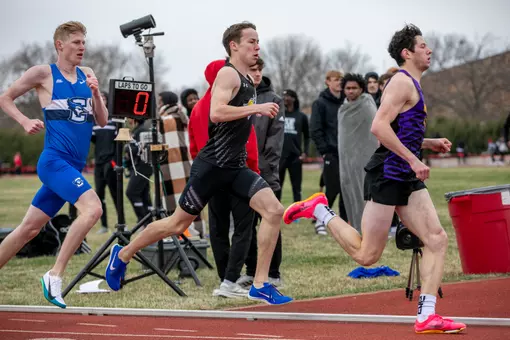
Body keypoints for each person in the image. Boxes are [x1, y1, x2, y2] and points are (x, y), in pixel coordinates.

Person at [283, 24, 466, 334]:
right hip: (388, 174)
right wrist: (412, 158)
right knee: (368, 255)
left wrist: (428, 142)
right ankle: (319, 210)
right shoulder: (400, 83)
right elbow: (379, 128)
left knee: (437, 239)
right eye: (423, 46)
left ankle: (426, 315)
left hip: (404, 175)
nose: (429, 50)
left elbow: (401, 132)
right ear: (407, 53)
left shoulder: (413, 85)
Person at [105, 21, 292, 305]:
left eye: (258, 41)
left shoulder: (246, 81)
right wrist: (256, 108)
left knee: (274, 211)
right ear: (234, 46)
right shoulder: (228, 74)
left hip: (235, 167)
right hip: (212, 167)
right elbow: (216, 113)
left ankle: (260, 284)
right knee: (175, 224)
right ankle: (123, 254)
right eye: (251, 41)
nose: (257, 47)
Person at [0, 21, 107, 308]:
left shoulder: (88, 75)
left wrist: (96, 94)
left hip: (72, 165)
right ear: (60, 45)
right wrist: (24, 121)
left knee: (28, 230)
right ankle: (54, 275)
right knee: (93, 209)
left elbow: (103, 121)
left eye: (84, 42)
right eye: (76, 42)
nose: (82, 47)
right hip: (54, 162)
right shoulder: (43, 74)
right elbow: (5, 98)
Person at [188, 58, 260, 297]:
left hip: (209, 172)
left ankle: (224, 277)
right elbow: (248, 142)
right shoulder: (234, 103)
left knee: (217, 228)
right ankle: (234, 277)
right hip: (237, 170)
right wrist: (253, 168)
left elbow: (193, 147)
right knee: (243, 226)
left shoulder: (198, 107)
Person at [237, 57, 286, 289]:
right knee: (246, 225)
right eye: (252, 70)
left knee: (271, 219)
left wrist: (263, 170)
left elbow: (275, 143)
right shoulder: (238, 95)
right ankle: (250, 271)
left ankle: (273, 273)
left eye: (259, 70)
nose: (256, 74)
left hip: (266, 173)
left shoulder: (274, 99)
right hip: (240, 171)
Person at [337, 73, 378, 233]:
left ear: (361, 89)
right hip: (347, 161)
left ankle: (369, 229)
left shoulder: (367, 105)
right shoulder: (342, 109)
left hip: (365, 158)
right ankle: (355, 226)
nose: (351, 91)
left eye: (354, 88)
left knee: (365, 192)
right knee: (349, 190)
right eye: (348, 88)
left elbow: (373, 132)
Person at [91, 91, 119, 234]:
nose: (101, 100)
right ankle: (104, 226)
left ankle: (122, 223)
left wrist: (115, 160)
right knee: (99, 195)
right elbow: (93, 141)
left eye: (104, 98)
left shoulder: (114, 120)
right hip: (99, 164)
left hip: (111, 163)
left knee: (115, 195)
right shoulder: (93, 121)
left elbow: (119, 142)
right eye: (99, 98)